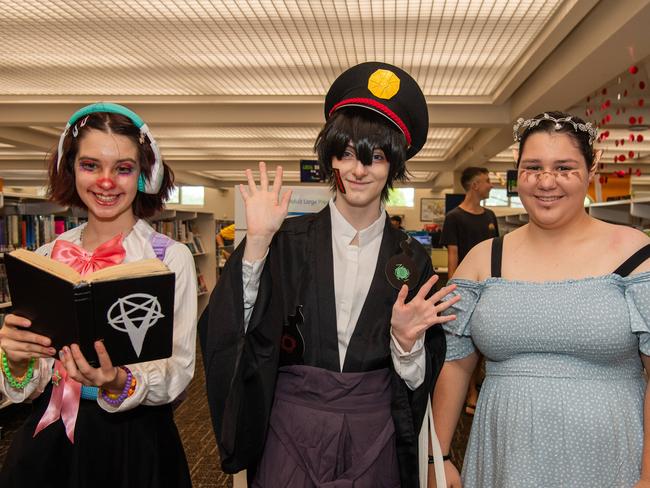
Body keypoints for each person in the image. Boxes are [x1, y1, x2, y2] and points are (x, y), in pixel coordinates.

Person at [200, 62, 456, 487]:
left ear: (394, 166)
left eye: (375, 157)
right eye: (347, 152)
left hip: (374, 430)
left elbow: (419, 377)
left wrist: (407, 346)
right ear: (330, 158)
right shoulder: (285, 241)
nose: (359, 169)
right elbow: (231, 330)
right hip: (289, 426)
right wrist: (257, 245)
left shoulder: (412, 260)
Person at [432, 111, 650, 488]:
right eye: (533, 168)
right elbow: (454, 364)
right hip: (505, 459)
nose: (547, 182)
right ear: (518, 172)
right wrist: (440, 455)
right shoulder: (484, 260)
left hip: (611, 459)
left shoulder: (634, 254)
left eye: (564, 167)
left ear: (590, 168)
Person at [0, 103, 197, 487]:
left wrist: (117, 380)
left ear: (144, 177)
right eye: (90, 165)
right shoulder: (45, 258)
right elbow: (30, 384)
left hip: (134, 440)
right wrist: (16, 360)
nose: (106, 182)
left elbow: (179, 370)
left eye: (123, 168)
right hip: (51, 432)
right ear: (70, 169)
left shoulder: (169, 258)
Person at [439, 166, 498, 415]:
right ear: (475, 185)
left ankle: (474, 386)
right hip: (466, 287)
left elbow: (497, 252)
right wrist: (453, 293)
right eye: (486, 181)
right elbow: (453, 257)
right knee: (463, 345)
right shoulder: (454, 217)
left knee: (484, 342)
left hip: (489, 287)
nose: (491, 185)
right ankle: (470, 393)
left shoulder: (490, 216)